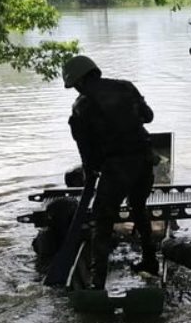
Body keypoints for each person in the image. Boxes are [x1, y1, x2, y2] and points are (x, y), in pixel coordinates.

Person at [61, 54, 159, 289]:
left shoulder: (81, 108)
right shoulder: (126, 87)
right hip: (144, 161)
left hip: (116, 169)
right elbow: (149, 117)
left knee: (102, 220)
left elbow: (87, 153)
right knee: (139, 208)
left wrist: (91, 173)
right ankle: (150, 261)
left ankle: (98, 281)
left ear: (79, 82)